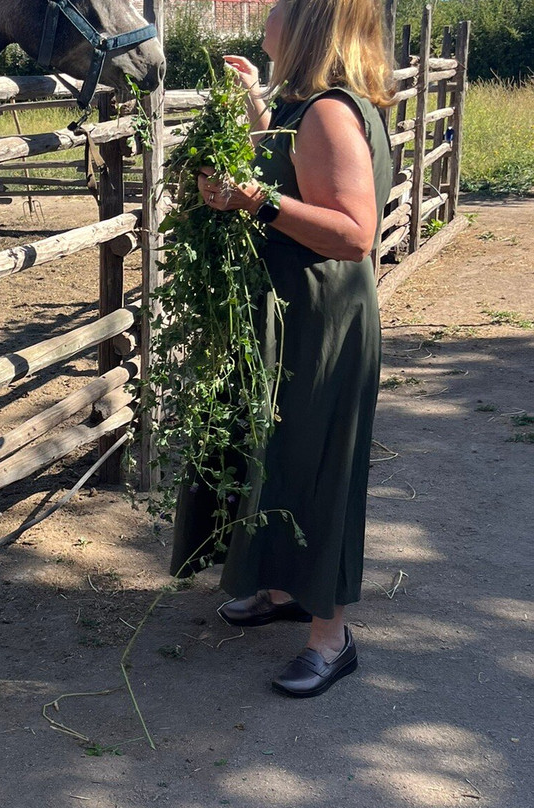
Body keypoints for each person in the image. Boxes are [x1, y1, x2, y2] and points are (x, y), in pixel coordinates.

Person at [169, 0, 395, 697]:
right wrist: (256, 111)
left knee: (316, 465)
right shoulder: (311, 108)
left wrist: (251, 199)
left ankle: (331, 640)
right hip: (296, 309)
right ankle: (280, 590)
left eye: (277, 7)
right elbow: (303, 173)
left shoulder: (330, 111)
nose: (263, 15)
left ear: (308, 24)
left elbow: (355, 232)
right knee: (278, 455)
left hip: (321, 317)